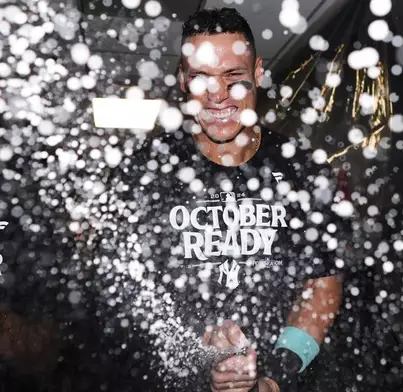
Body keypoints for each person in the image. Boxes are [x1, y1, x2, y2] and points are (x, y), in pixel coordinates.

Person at [84, 7, 346, 392]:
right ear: (181, 80)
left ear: (257, 72)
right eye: (201, 78)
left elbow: (322, 286)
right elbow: (120, 295)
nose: (218, 95)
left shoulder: (302, 171)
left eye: (233, 77)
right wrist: (195, 356)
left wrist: (274, 375)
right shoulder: (143, 173)